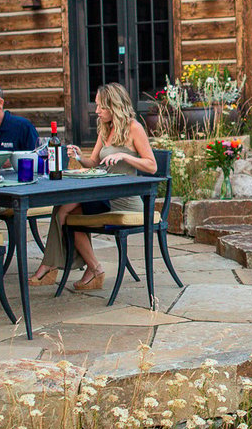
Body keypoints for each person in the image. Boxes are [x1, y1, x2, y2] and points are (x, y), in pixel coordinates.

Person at [28, 83, 156, 292]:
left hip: (125, 198)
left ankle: (52, 265)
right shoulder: (105, 128)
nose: (96, 111)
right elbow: (94, 162)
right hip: (103, 193)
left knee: (64, 210)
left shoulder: (134, 128)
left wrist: (124, 155)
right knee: (67, 213)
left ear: (114, 105)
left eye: (101, 107)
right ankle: (92, 269)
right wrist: (79, 156)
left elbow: (152, 166)